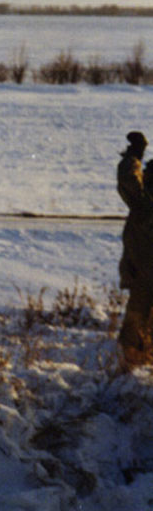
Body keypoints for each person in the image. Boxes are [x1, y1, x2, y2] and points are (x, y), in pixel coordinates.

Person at [116, 131, 153, 364]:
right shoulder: (145, 205)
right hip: (143, 278)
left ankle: (134, 370)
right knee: (135, 333)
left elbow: (129, 182)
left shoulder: (144, 206)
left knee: (135, 332)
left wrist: (134, 156)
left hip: (144, 280)